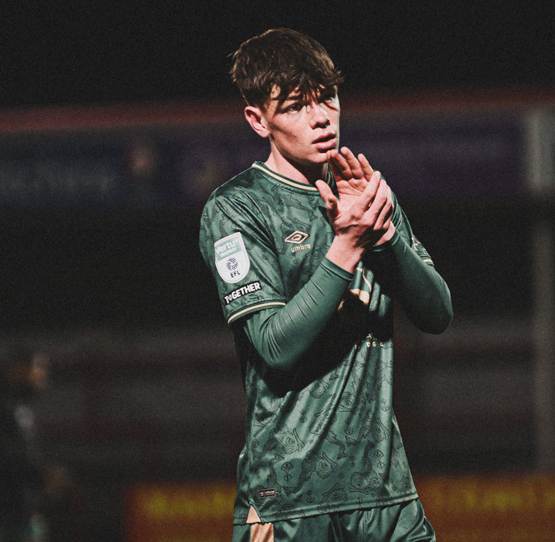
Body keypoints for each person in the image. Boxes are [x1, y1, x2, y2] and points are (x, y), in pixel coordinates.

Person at [198, 28, 453, 541]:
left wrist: (385, 238)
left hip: (386, 498)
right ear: (258, 120)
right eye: (296, 106)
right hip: (289, 503)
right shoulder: (237, 208)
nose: (321, 117)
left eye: (328, 98)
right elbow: (275, 347)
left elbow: (437, 314)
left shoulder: (366, 195)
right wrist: (348, 245)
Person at [0, 349, 66, 542]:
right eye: (38, 367)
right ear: (18, 369)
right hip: (1, 517)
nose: (42, 374)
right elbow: (0, 456)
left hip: (16, 514)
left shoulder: (17, 408)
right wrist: (40, 476)